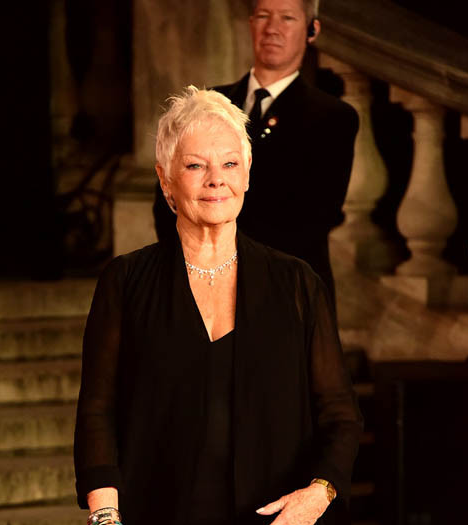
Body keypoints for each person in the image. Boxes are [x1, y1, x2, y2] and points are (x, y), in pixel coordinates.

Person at [59, 86, 361, 525]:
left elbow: (341, 415)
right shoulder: (126, 284)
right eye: (195, 165)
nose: (215, 180)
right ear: (166, 180)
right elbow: (96, 412)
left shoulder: (297, 285)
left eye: (229, 164)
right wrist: (106, 524)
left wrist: (316, 497)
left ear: (247, 176)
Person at [153, 0, 359, 303]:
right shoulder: (205, 103)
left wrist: (229, 261)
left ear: (312, 30)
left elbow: (315, 218)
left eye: (287, 18)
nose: (272, 28)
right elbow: (168, 197)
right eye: (263, 15)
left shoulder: (334, 117)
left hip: (288, 291)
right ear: (251, 24)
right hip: (198, 283)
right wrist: (196, 269)